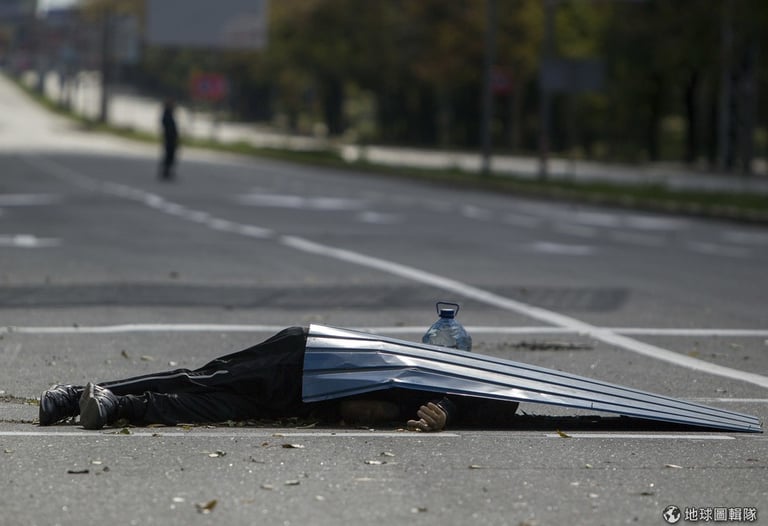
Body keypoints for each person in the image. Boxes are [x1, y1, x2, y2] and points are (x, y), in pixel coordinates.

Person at [39, 326, 519, 432]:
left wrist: (440, 416)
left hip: (303, 399)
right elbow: (357, 406)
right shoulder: (429, 371)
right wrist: (438, 411)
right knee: (202, 381)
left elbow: (518, 413)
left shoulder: (442, 405)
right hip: (304, 359)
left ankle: (113, 407)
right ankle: (73, 395)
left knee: (211, 407)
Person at [159, 99, 179, 180]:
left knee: (170, 155)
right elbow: (168, 127)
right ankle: (165, 171)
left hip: (171, 138)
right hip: (169, 138)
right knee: (168, 155)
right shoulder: (167, 114)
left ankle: (167, 171)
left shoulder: (169, 114)